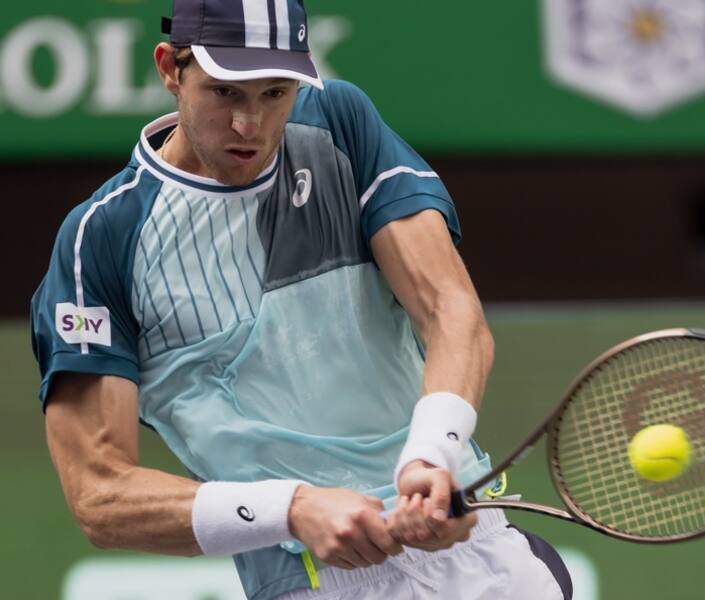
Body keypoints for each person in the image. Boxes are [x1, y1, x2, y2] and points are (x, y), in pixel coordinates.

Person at [31, 1, 572, 598]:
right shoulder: (102, 238)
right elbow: (100, 495)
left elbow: (451, 310)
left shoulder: (339, 125)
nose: (250, 125)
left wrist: (431, 455)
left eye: (275, 94)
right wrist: (292, 507)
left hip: (485, 559)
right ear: (169, 68)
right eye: (225, 93)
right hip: (311, 579)